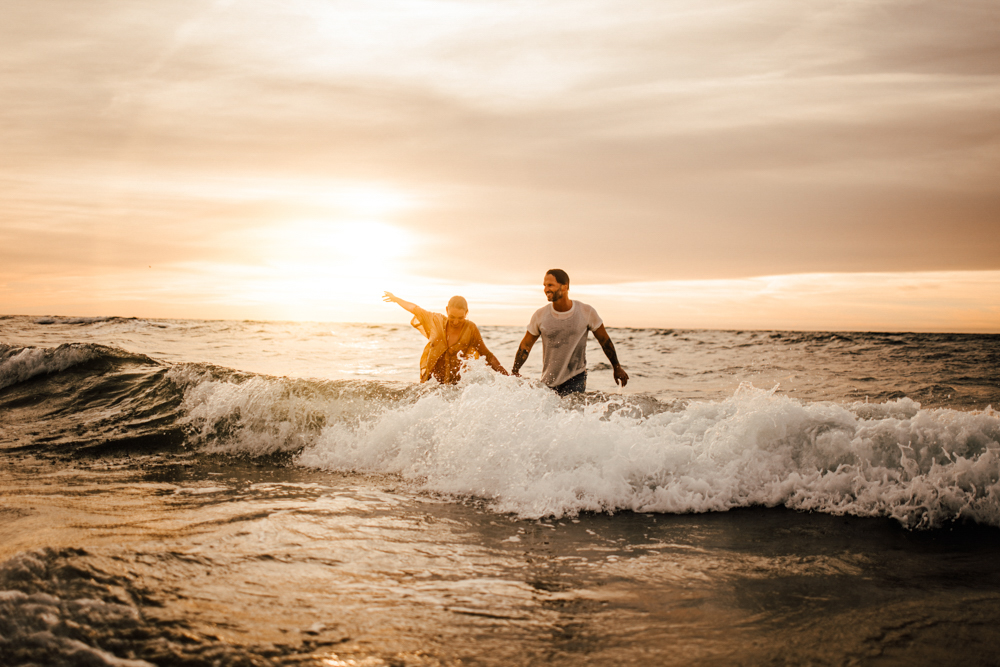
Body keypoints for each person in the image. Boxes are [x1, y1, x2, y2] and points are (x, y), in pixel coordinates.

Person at [510, 269, 628, 395]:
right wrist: (515, 371)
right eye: (544, 285)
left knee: (571, 412)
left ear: (565, 286)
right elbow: (526, 345)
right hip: (548, 380)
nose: (546, 289)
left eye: (550, 285)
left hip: (576, 377)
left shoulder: (585, 311)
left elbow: (604, 340)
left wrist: (617, 367)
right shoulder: (540, 315)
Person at [383, 291, 508, 384]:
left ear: (466, 313)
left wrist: (508, 378)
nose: (455, 322)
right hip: (430, 384)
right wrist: (396, 299)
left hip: (455, 388)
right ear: (447, 310)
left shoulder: (470, 329)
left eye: (460, 318)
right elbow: (416, 310)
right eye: (452, 317)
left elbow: (487, 355)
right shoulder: (435, 321)